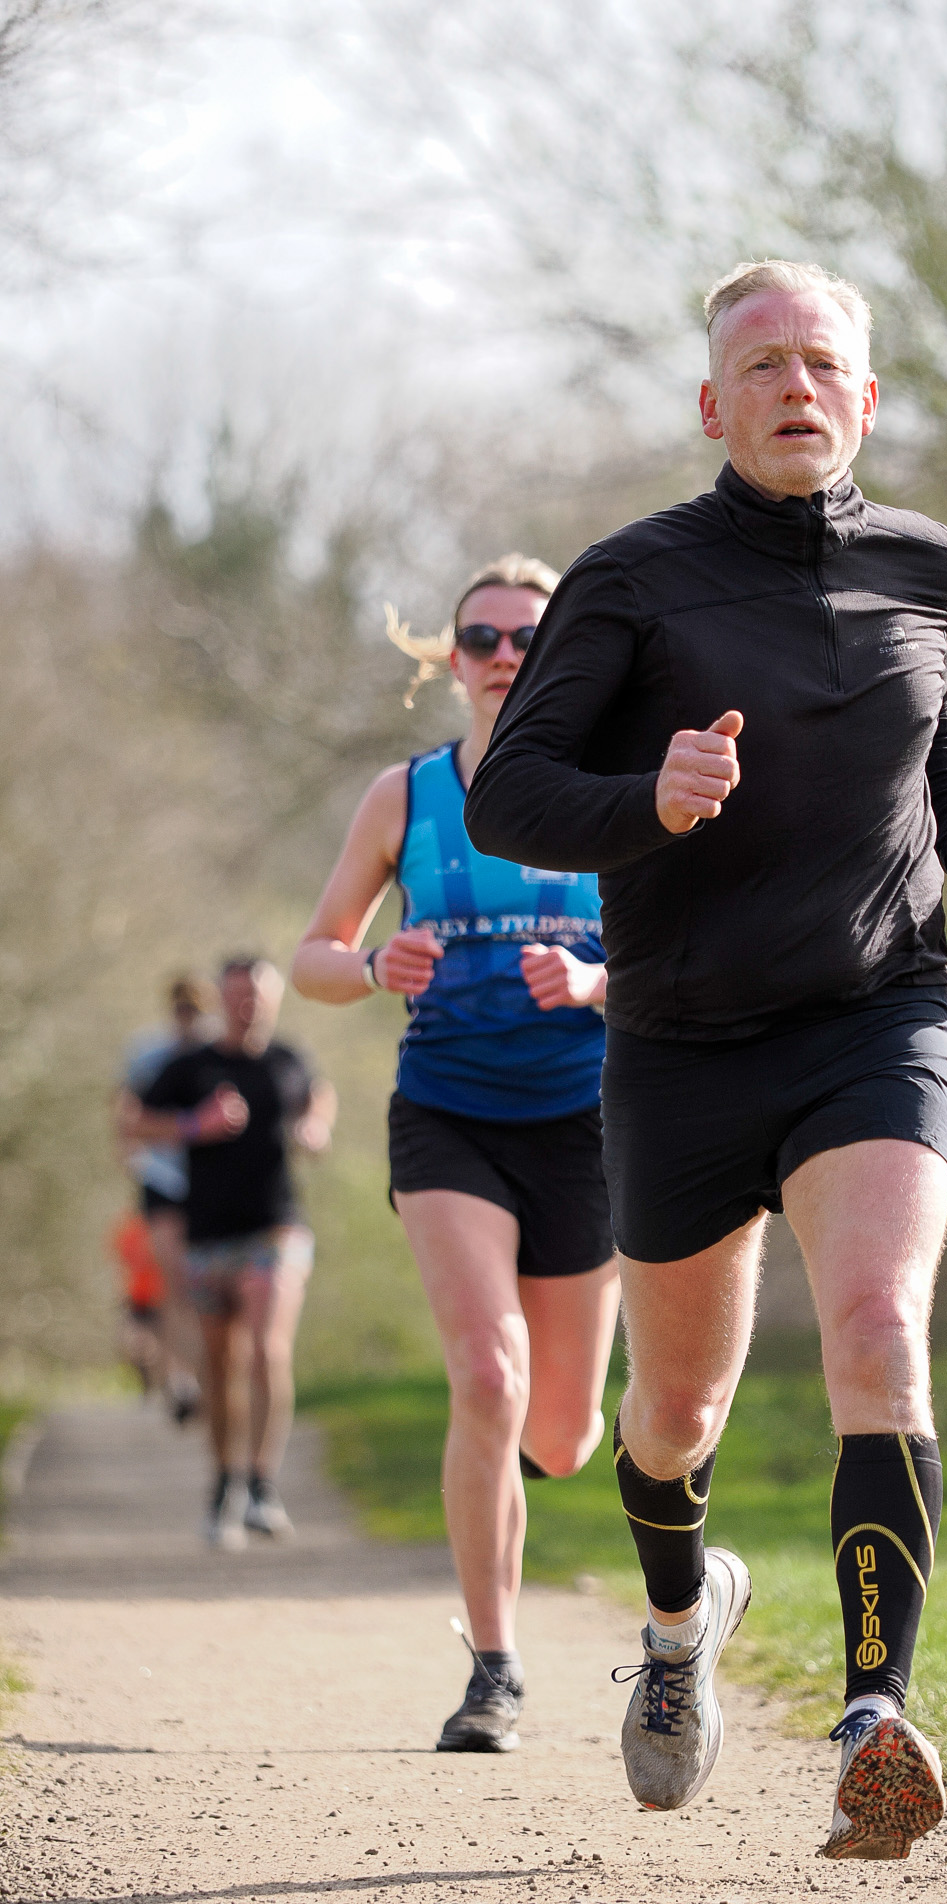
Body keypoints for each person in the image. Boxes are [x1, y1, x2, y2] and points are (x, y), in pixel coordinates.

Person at [464, 260, 947, 1860]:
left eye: (822, 362)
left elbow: (935, 735)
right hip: (684, 1042)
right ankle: (677, 1629)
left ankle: (875, 1720)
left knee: (880, 1332)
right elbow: (511, 797)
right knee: (672, 1414)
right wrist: (648, 800)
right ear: (714, 406)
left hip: (876, 1015)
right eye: (763, 365)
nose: (796, 385)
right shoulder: (633, 579)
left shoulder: (928, 562)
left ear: (867, 398)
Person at [291, 554, 621, 1754]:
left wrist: (596, 980)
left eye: (527, 637)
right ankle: (494, 1668)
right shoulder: (408, 794)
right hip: (449, 1114)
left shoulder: (611, 787)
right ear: (451, 656)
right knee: (487, 1376)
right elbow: (313, 956)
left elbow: (690, 958)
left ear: (560, 651)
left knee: (562, 1436)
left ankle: (522, 1494)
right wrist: (374, 964)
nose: (503, 657)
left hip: (585, 1122)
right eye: (481, 638)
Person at [121, 957, 336, 1547]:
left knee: (267, 1350)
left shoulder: (286, 1060)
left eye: (259, 996)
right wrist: (196, 1125)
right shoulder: (190, 1066)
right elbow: (133, 1122)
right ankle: (225, 1484)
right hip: (208, 1236)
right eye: (239, 995)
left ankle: (264, 1485)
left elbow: (318, 1097)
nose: (249, 1006)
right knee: (220, 1366)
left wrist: (314, 1127)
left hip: (276, 1230)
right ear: (221, 997)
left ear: (275, 999)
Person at [115, 975, 220, 1424]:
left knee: (208, 1284)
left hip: (212, 1180)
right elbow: (125, 1111)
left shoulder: (220, 1052)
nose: (188, 1018)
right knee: (174, 1281)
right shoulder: (147, 1051)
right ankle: (182, 1379)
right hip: (162, 1178)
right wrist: (130, 1149)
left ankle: (213, 1376)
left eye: (196, 1009)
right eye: (182, 1009)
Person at [108, 1206, 169, 1398]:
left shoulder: (162, 1227)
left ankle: (164, 1386)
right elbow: (119, 1264)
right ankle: (150, 1386)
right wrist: (121, 1292)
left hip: (161, 1296)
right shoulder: (129, 1230)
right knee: (138, 1343)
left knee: (161, 1343)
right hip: (136, 1296)